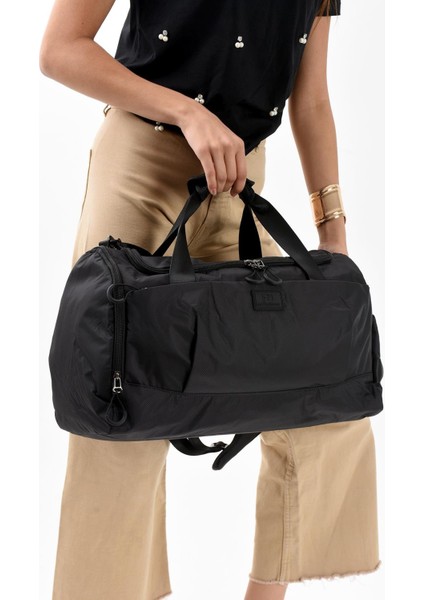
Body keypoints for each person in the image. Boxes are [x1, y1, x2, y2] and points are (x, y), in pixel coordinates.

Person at [39, 1, 381, 598]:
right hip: (141, 163)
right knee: (117, 399)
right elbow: (60, 49)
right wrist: (187, 112)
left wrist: (332, 230)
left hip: (241, 178)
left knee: (317, 383)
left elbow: (311, 99)